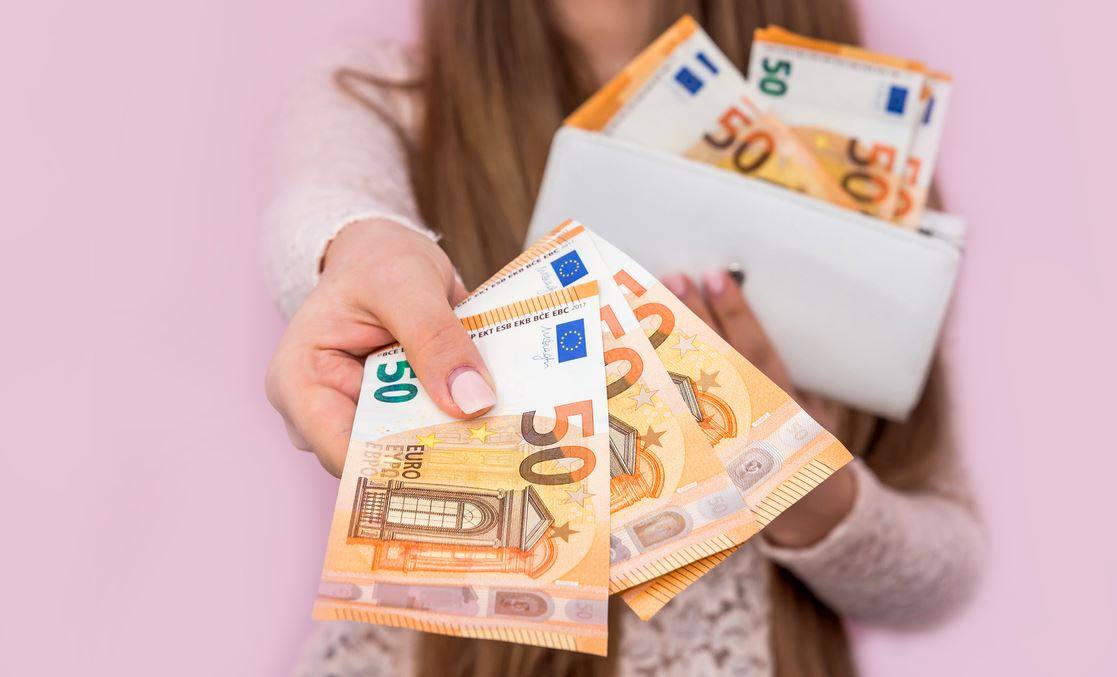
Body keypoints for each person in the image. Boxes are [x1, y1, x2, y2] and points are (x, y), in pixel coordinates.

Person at [263, 1, 984, 675]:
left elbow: (945, 568)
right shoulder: (382, 99)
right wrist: (357, 252)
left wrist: (791, 474)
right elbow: (328, 210)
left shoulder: (860, 158)